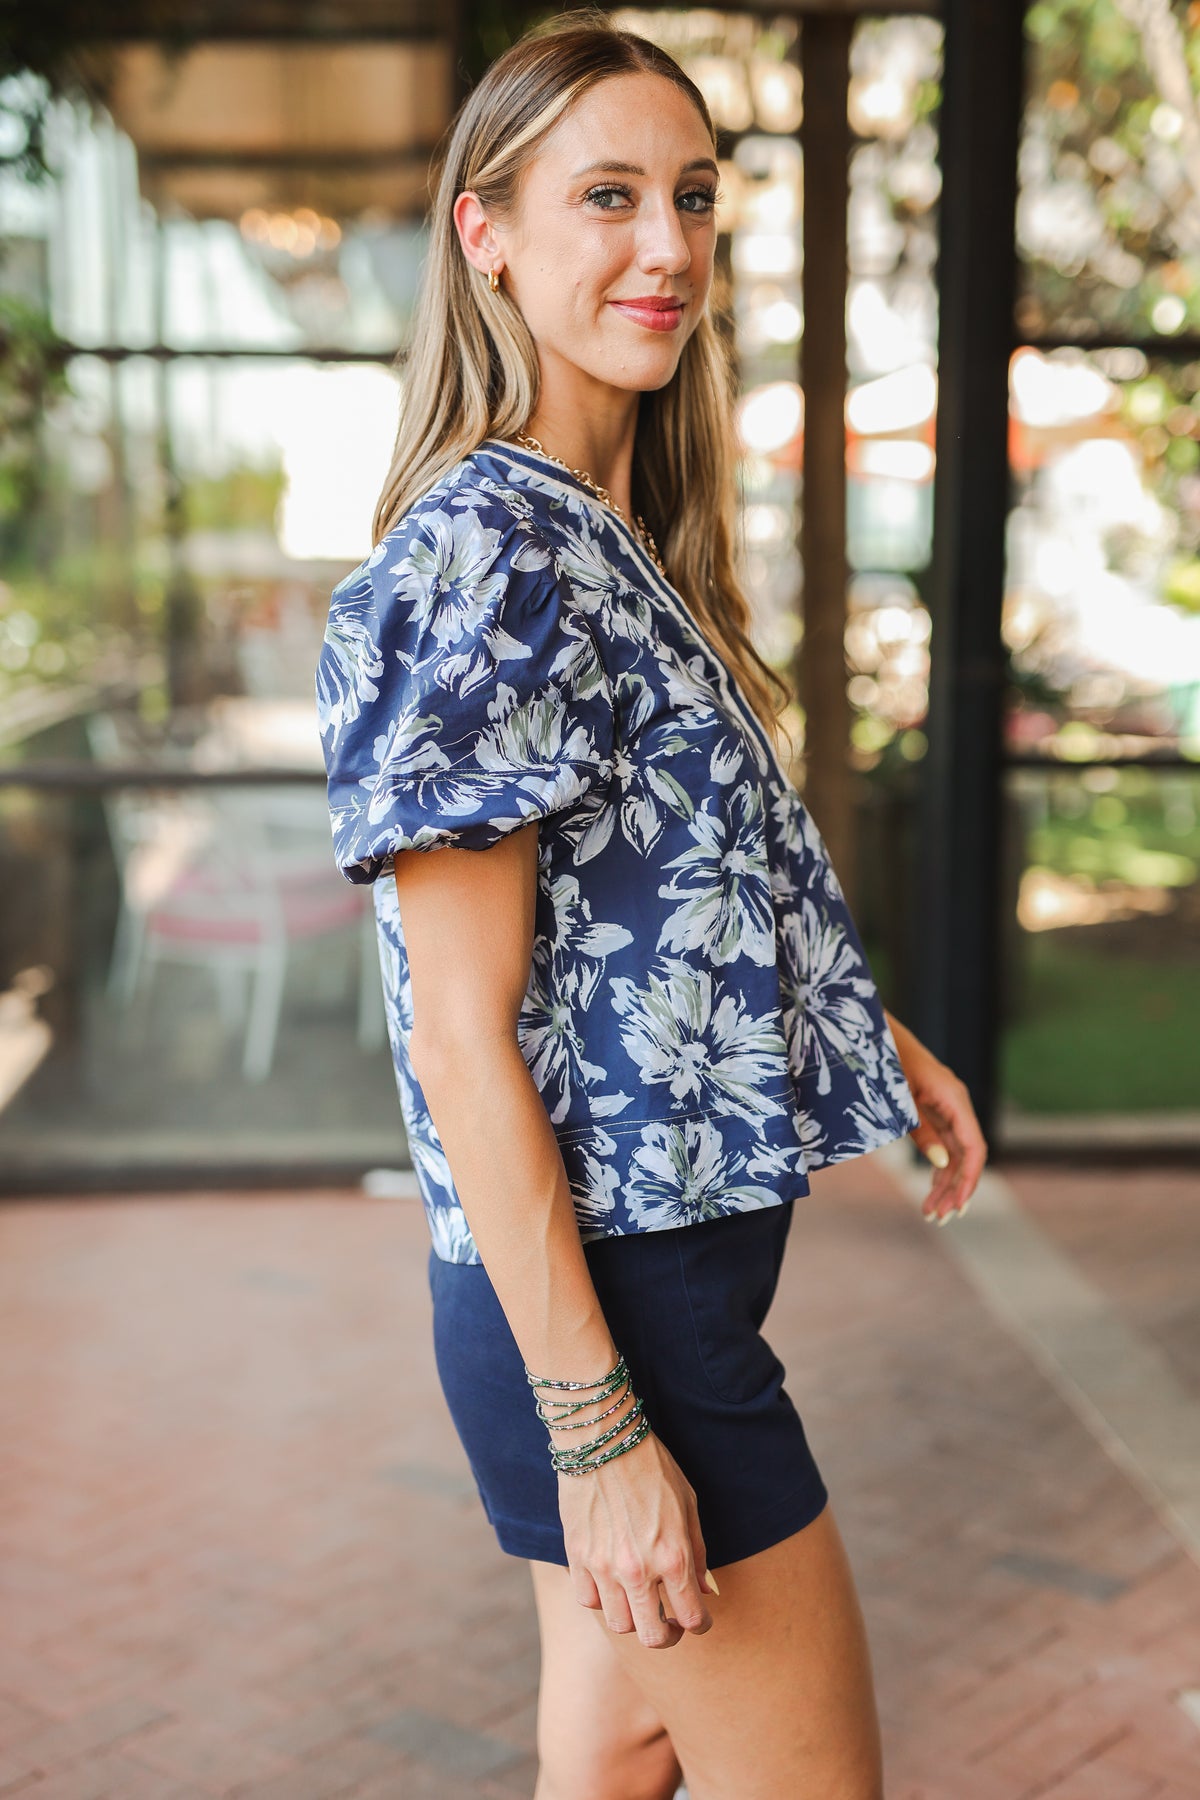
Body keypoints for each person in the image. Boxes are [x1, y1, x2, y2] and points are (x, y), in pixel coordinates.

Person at [316, 13, 987, 1798]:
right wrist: (602, 1428)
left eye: (692, 196)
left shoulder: (604, 534)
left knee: (612, 1757)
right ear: (485, 232)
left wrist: (867, 1035)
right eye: (606, 197)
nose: (666, 245)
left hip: (630, 1289)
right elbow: (461, 1035)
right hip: (618, 1320)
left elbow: (649, 906)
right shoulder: (496, 555)